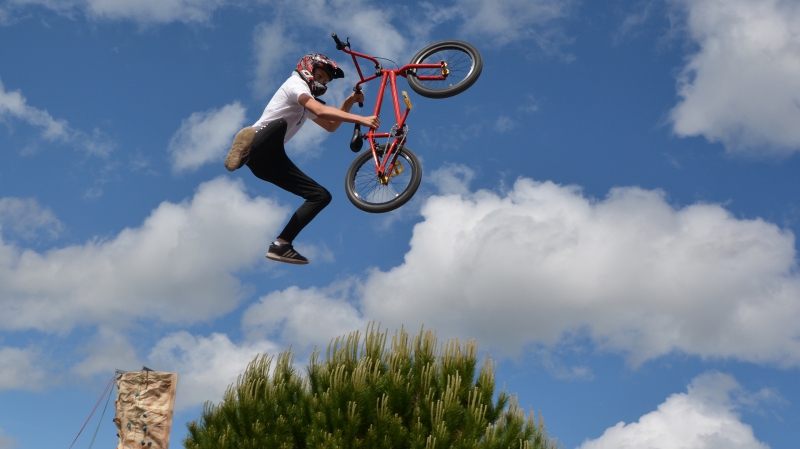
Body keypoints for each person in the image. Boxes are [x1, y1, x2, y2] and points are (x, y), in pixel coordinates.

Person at [224, 54, 379, 265]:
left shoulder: (307, 102)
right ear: (309, 69)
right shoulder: (295, 85)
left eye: (326, 81)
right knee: (279, 125)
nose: (323, 81)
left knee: (320, 196)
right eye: (321, 76)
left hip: (268, 163)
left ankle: (281, 245)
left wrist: (349, 102)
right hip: (260, 144)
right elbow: (320, 110)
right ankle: (244, 150)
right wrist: (361, 118)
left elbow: (331, 125)